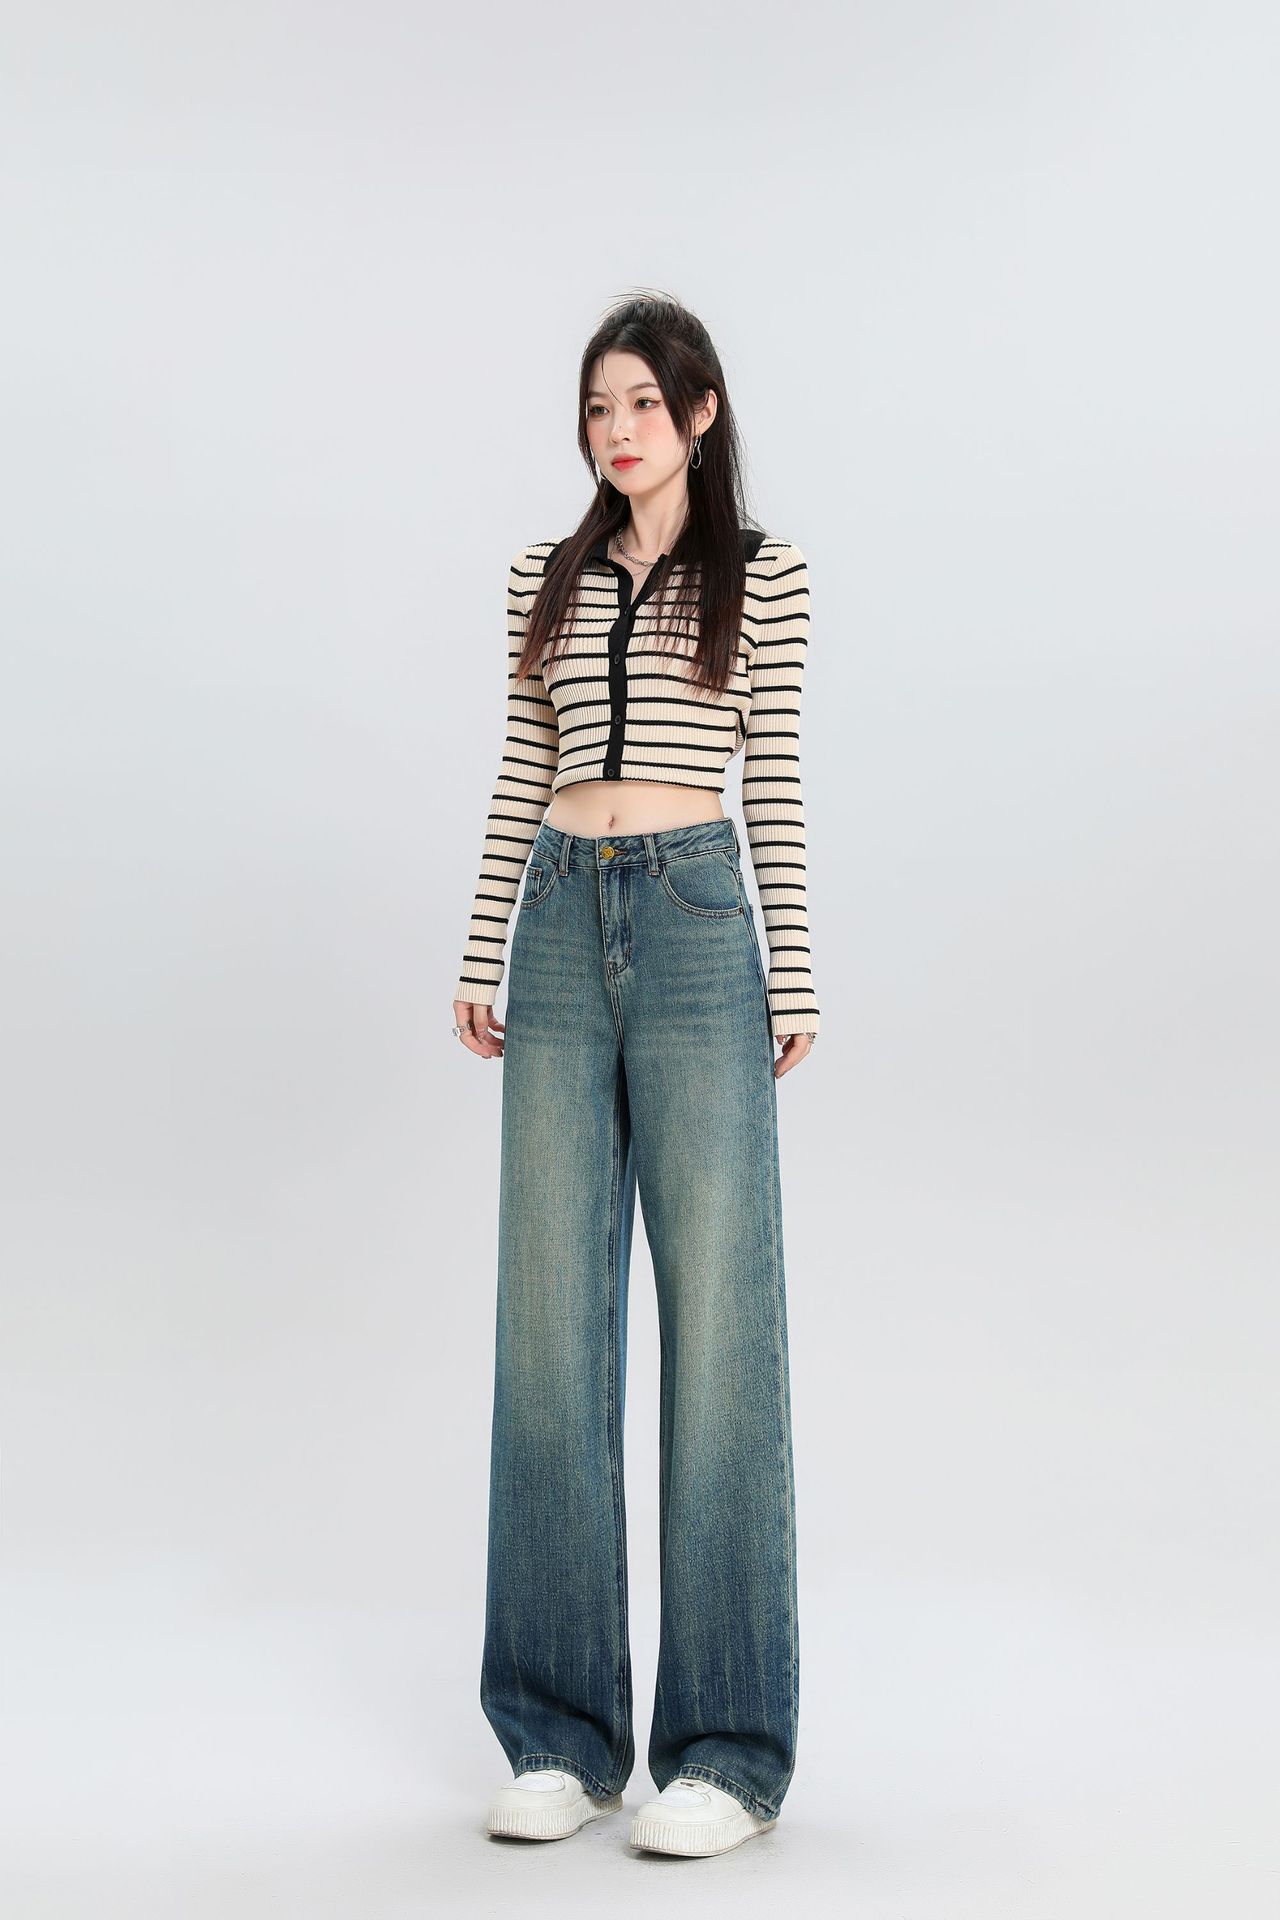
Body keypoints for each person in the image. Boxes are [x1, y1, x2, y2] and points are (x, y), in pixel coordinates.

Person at [451, 292, 820, 1859]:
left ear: (701, 414)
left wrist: (791, 969)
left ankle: (728, 1752)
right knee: (549, 1325)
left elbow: (773, 774)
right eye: (599, 406)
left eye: (644, 406)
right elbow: (519, 770)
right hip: (556, 921)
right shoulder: (543, 578)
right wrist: (483, 948)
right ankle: (560, 1734)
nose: (617, 431)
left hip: (695, 924)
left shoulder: (763, 576)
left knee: (719, 1328)